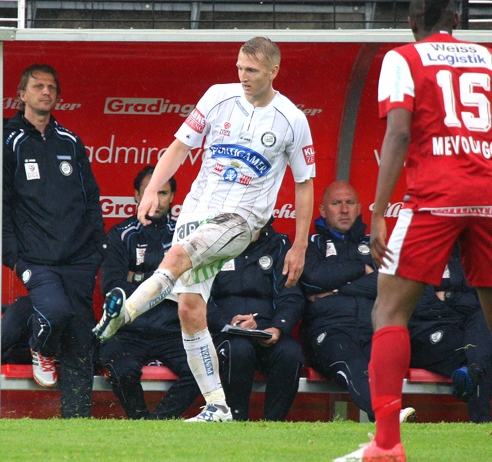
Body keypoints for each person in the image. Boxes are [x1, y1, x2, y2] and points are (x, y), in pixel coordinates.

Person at [93, 36, 316, 422]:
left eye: (252, 71)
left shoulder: (292, 120)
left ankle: (123, 314)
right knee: (190, 310)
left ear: (273, 71)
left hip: (241, 220)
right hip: (196, 212)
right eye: (240, 68)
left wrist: (298, 245)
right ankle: (217, 406)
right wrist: (150, 191)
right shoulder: (216, 97)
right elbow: (179, 146)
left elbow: (304, 183)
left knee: (176, 257)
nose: (243, 76)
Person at [337, 1, 492, 459]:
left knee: (388, 312)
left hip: (435, 196)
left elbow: (400, 133)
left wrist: (380, 210)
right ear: (457, 20)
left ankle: (386, 445)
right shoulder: (487, 59)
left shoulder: (403, 58)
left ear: (411, 21)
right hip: (488, 193)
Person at [2, 64, 107, 418]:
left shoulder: (70, 141)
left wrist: (97, 249)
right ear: (22, 95)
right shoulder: (8, 139)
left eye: (51, 87)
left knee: (80, 342)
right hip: (35, 258)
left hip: (78, 259)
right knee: (54, 311)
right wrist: (12, 255)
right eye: (37, 86)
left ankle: (76, 425)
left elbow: (90, 197)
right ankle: (40, 346)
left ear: (58, 97)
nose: (45, 92)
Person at [300, 181, 415, 424]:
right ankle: (388, 415)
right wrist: (359, 270)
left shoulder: (375, 244)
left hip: (372, 327)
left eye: (350, 203)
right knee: (352, 361)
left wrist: (338, 288)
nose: (344, 209)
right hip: (330, 330)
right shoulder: (311, 245)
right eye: (336, 203)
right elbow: (311, 279)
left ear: (359, 207)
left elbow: (389, 284)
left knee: (384, 358)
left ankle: (386, 427)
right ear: (322, 210)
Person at [98, 166, 201, 419]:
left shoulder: (185, 236)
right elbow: (112, 286)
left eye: (162, 193)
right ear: (136, 195)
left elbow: (191, 283)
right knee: (118, 366)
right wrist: (165, 281)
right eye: (149, 193)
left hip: (172, 328)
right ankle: (140, 419)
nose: (155, 200)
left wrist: (138, 277)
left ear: (173, 196)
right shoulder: (121, 234)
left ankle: (157, 422)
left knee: (203, 370)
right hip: (131, 328)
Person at [207, 219, 305, 421]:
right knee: (239, 349)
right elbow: (200, 300)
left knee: (291, 353)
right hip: (225, 332)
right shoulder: (213, 243)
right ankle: (235, 421)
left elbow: (291, 296)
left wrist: (278, 328)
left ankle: (273, 425)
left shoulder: (279, 245)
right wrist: (231, 323)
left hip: (268, 330)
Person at [408, 244, 492, 423]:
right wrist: (464, 306)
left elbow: (484, 302)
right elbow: (422, 306)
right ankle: (481, 421)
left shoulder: (478, 255)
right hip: (426, 334)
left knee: (480, 338)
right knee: (482, 355)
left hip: (468, 332)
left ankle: (473, 375)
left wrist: (448, 297)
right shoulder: (421, 250)